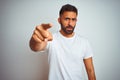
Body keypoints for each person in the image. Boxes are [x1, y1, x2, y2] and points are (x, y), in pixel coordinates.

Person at [29, 4, 96, 80]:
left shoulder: (84, 42)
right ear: (59, 20)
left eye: (73, 19)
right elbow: (35, 47)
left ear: (76, 21)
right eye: (66, 19)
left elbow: (90, 71)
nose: (70, 23)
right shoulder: (51, 39)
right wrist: (36, 40)